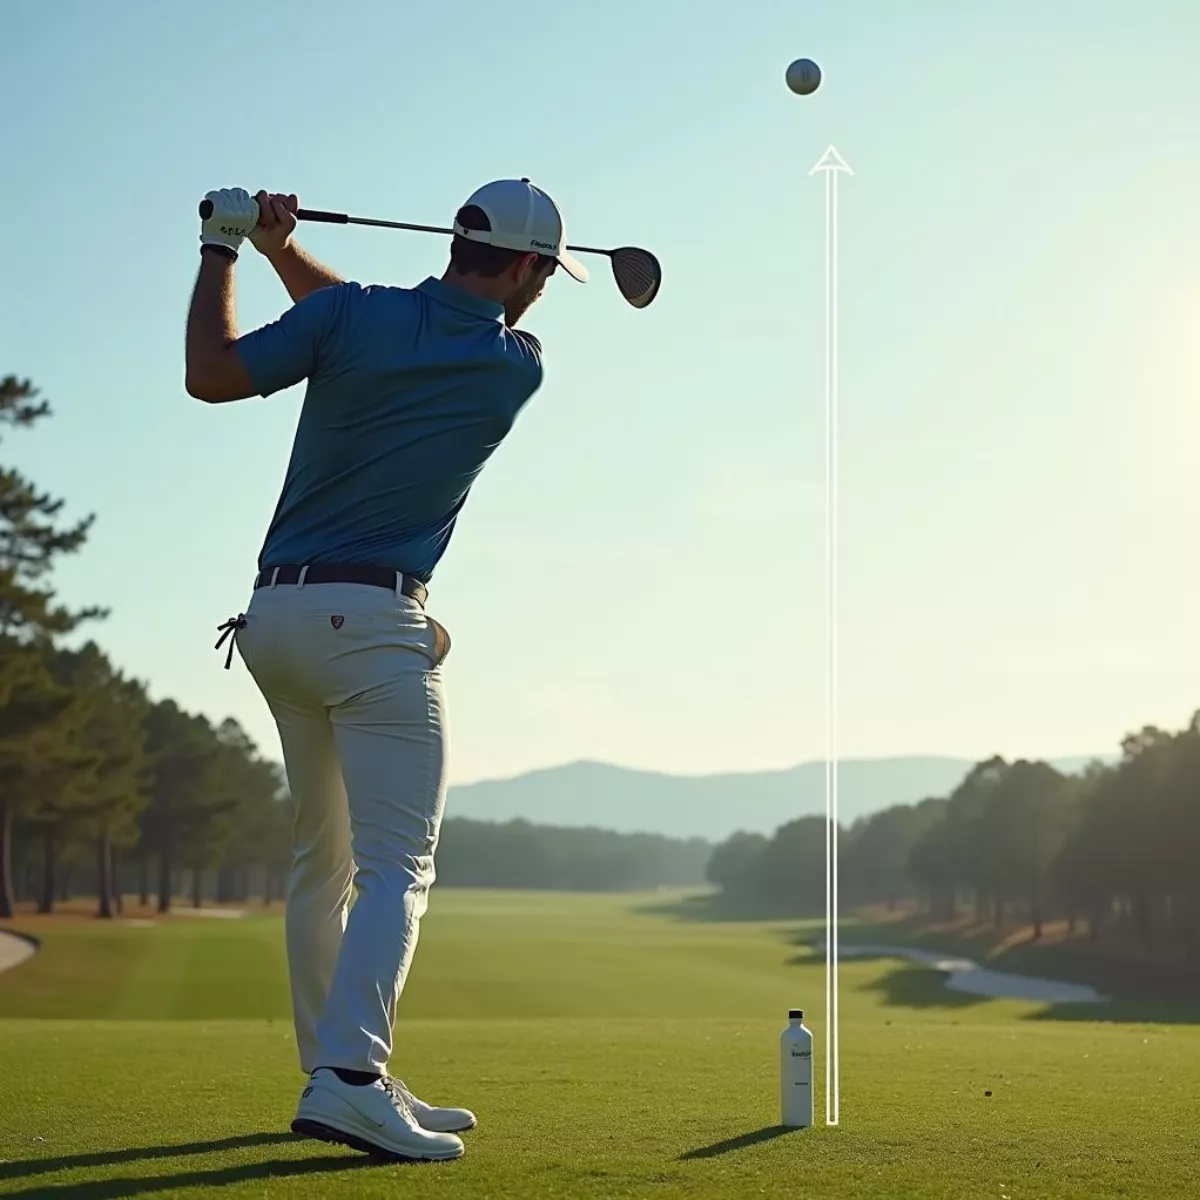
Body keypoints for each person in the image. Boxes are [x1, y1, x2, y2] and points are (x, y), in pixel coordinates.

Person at [185, 181, 588, 1162]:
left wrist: (229, 247)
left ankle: (336, 1068)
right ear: (529, 269)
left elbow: (214, 375)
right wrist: (279, 253)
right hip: (372, 624)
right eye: (548, 274)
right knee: (396, 866)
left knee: (319, 863)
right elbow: (362, 321)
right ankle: (350, 1079)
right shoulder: (514, 368)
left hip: (274, 619)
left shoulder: (351, 316)